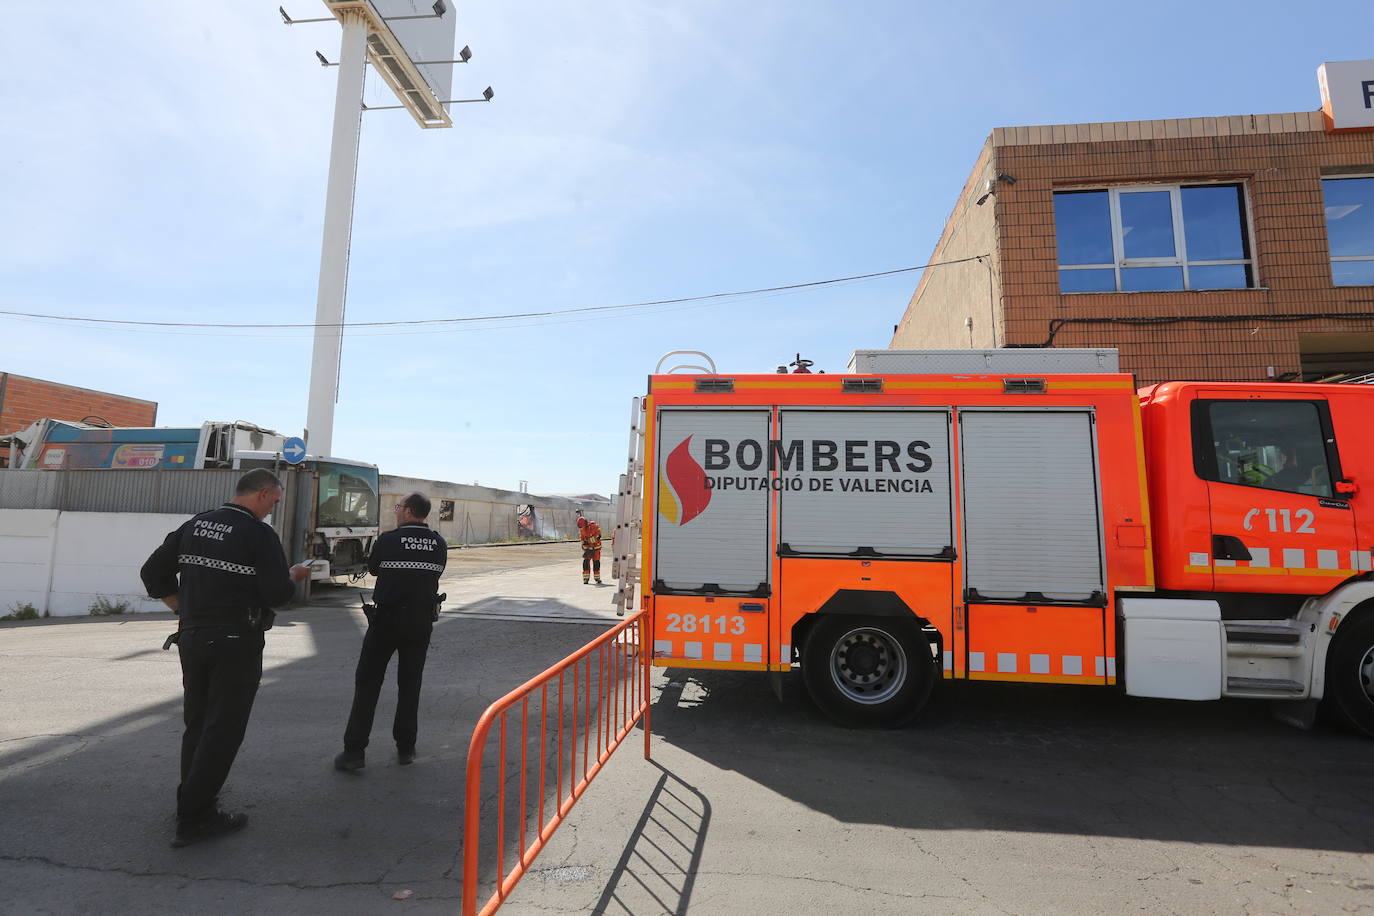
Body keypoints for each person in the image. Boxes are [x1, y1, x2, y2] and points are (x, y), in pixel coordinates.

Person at [140, 469, 310, 848]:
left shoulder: (196, 523)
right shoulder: (258, 534)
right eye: (275, 502)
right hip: (236, 641)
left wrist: (183, 609)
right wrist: (294, 575)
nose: (274, 510)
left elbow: (153, 572)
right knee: (224, 728)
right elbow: (276, 593)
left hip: (194, 638)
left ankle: (193, 799)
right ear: (264, 494)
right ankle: (196, 817)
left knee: (197, 723)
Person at [335, 492, 447, 772]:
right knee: (410, 685)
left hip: (386, 621)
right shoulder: (438, 544)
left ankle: (354, 752)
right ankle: (406, 748)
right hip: (420, 623)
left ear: (408, 512)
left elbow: (372, 569)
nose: (396, 511)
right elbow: (435, 574)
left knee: (368, 683)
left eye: (398, 507)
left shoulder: (387, 540)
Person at [578, 515, 603, 585]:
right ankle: (586, 579)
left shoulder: (594, 526)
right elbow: (582, 539)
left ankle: (597, 578)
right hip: (588, 549)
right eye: (581, 527)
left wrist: (588, 541)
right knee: (585, 563)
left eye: (582, 526)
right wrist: (584, 543)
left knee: (596, 563)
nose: (582, 528)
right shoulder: (581, 529)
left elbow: (598, 536)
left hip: (596, 548)